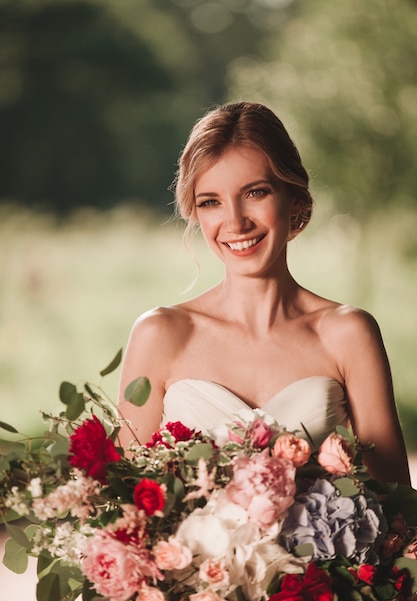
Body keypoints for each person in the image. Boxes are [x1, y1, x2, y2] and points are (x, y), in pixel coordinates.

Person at [118, 101, 410, 485]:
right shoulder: (160, 335)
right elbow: (123, 506)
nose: (235, 222)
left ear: (295, 200)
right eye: (211, 202)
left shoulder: (348, 333)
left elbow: (400, 510)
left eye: (255, 192)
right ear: (196, 214)